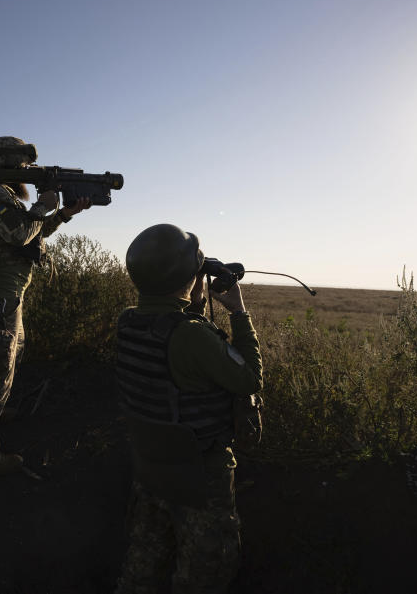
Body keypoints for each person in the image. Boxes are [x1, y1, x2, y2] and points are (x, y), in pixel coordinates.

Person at [114, 223, 263, 594]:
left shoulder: (128, 321)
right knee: (205, 573)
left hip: (151, 466)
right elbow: (249, 379)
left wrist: (191, 294)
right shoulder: (192, 334)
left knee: (142, 566)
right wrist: (238, 312)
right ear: (187, 280)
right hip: (199, 475)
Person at [0, 136, 91, 475]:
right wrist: (44, 205)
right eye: (23, 167)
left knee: (10, 354)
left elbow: (30, 233)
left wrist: (62, 213)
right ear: (9, 165)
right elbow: (19, 234)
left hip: (6, 291)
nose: (27, 173)